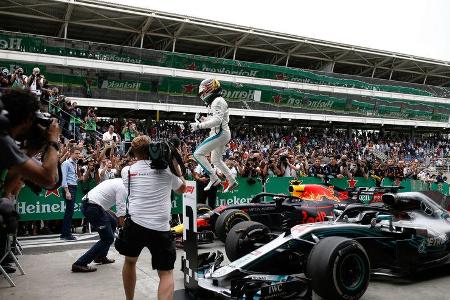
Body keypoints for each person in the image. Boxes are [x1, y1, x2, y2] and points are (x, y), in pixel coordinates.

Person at [118, 135, 186, 300]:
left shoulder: (127, 171)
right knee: (166, 273)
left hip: (135, 224)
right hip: (160, 228)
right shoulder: (166, 171)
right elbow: (183, 188)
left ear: (134, 153)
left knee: (129, 261)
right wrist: (175, 167)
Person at [0, 89, 60, 273]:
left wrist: (32, 150)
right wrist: (53, 141)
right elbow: (49, 179)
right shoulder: (2, 139)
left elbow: (6, 189)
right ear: (27, 119)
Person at [190, 78, 237, 192]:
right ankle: (232, 181)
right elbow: (213, 119)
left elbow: (217, 121)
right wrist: (202, 119)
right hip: (220, 133)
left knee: (197, 154)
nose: (202, 94)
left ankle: (214, 178)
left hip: (220, 133)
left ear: (210, 88)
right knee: (216, 160)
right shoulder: (215, 102)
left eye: (203, 91)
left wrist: (199, 126)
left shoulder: (218, 101)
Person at [71, 178, 126, 272]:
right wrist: (123, 228)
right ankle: (80, 263)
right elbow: (121, 209)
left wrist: (112, 215)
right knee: (108, 238)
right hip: (92, 207)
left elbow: (102, 198)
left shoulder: (117, 181)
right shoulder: (123, 187)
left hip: (93, 205)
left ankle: (100, 256)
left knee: (112, 221)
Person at [60, 146, 81, 241]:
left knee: (69, 211)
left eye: (79, 153)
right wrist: (67, 191)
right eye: (76, 153)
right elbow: (63, 179)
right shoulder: (66, 163)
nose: (78, 155)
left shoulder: (74, 164)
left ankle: (64, 233)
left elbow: (72, 177)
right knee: (69, 212)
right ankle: (66, 234)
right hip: (69, 188)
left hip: (73, 187)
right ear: (71, 153)